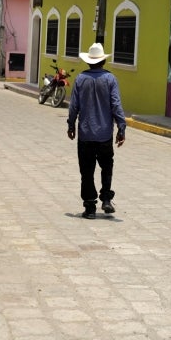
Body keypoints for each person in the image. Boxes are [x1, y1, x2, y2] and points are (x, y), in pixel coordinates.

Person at [66, 42, 127, 219]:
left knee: (86, 170)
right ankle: (106, 199)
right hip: (104, 135)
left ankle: (90, 207)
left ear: (88, 62)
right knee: (106, 167)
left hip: (85, 134)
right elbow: (116, 105)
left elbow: (73, 106)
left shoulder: (80, 79)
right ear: (103, 61)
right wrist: (121, 128)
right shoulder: (110, 79)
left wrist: (71, 125)